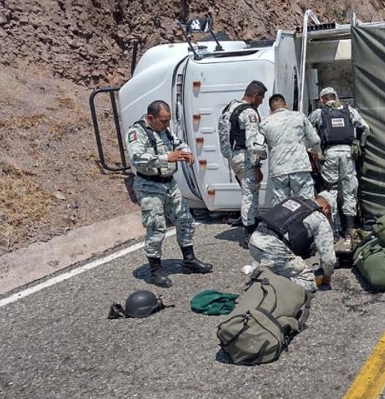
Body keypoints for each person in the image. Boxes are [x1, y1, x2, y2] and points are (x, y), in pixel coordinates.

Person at [126, 100, 212, 287]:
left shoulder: (164, 131)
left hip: (169, 183)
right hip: (149, 185)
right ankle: (155, 270)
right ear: (151, 118)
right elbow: (137, 158)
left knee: (185, 220)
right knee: (156, 227)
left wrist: (185, 153)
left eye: (168, 121)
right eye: (163, 121)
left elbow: (178, 143)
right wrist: (167, 157)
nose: (167, 125)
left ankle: (189, 260)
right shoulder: (137, 133)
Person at [307, 86, 369, 246]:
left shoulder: (318, 113)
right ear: (336, 97)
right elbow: (365, 128)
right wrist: (358, 145)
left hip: (329, 156)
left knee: (331, 191)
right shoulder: (349, 110)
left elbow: (307, 132)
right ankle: (350, 231)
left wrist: (314, 150)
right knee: (349, 191)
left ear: (322, 99)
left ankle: (334, 231)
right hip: (348, 154)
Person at [248, 195, 336, 293]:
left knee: (288, 266)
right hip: (272, 248)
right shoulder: (319, 217)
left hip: (254, 241)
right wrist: (326, 276)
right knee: (309, 281)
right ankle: (267, 285)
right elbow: (329, 260)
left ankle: (272, 274)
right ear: (326, 208)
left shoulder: (294, 200)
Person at [219, 80, 268, 246]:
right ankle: (249, 233)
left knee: (249, 192)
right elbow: (253, 143)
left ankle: (252, 223)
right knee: (250, 194)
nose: (261, 102)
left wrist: (231, 157)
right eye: (261, 98)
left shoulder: (230, 107)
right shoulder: (249, 113)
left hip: (233, 156)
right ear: (255, 96)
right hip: (245, 157)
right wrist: (257, 165)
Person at [260, 93, 322, 205]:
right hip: (300, 167)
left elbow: (256, 147)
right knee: (306, 203)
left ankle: (283, 222)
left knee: (280, 206)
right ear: (286, 105)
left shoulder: (264, 123)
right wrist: (313, 151)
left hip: (278, 169)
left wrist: (263, 156)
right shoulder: (299, 116)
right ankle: (306, 222)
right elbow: (315, 140)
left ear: (270, 109)